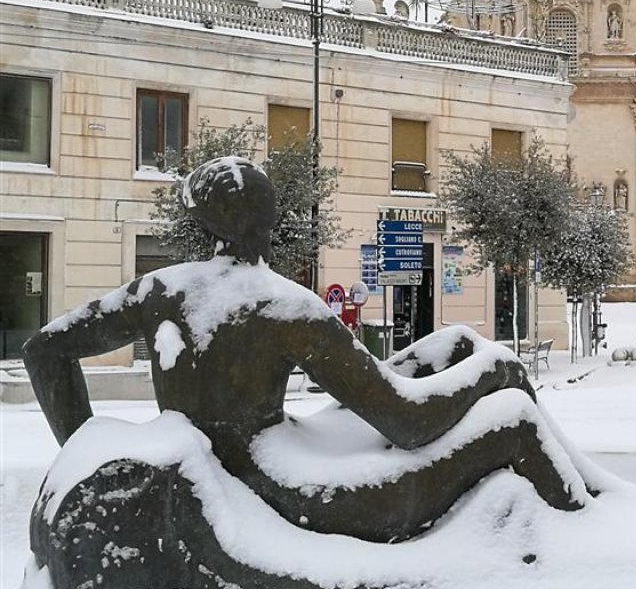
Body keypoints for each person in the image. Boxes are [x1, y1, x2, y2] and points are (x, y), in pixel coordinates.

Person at [24, 156, 593, 543]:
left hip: (232, 471)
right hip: (290, 494)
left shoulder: (161, 290)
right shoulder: (285, 307)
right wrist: (493, 369)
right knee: (514, 416)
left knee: (456, 344)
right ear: (273, 219)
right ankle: (597, 539)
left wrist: (84, 449)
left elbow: (44, 352)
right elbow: (407, 423)